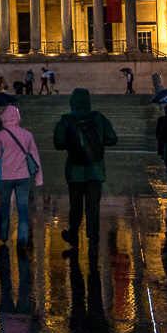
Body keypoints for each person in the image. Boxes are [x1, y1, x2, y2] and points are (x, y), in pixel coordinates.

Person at [53, 88, 118, 254]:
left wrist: (73, 142)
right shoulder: (98, 118)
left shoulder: (66, 119)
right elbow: (112, 139)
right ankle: (93, 241)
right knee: (92, 206)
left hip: (75, 169)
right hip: (95, 170)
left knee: (75, 205)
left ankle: (73, 236)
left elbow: (58, 143)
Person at [0, 104, 43, 249]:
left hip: (5, 177)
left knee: (4, 206)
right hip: (23, 176)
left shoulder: (0, 135)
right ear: (18, 117)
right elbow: (35, 157)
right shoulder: (27, 135)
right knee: (23, 207)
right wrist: (38, 178)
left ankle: (3, 235)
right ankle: (22, 238)